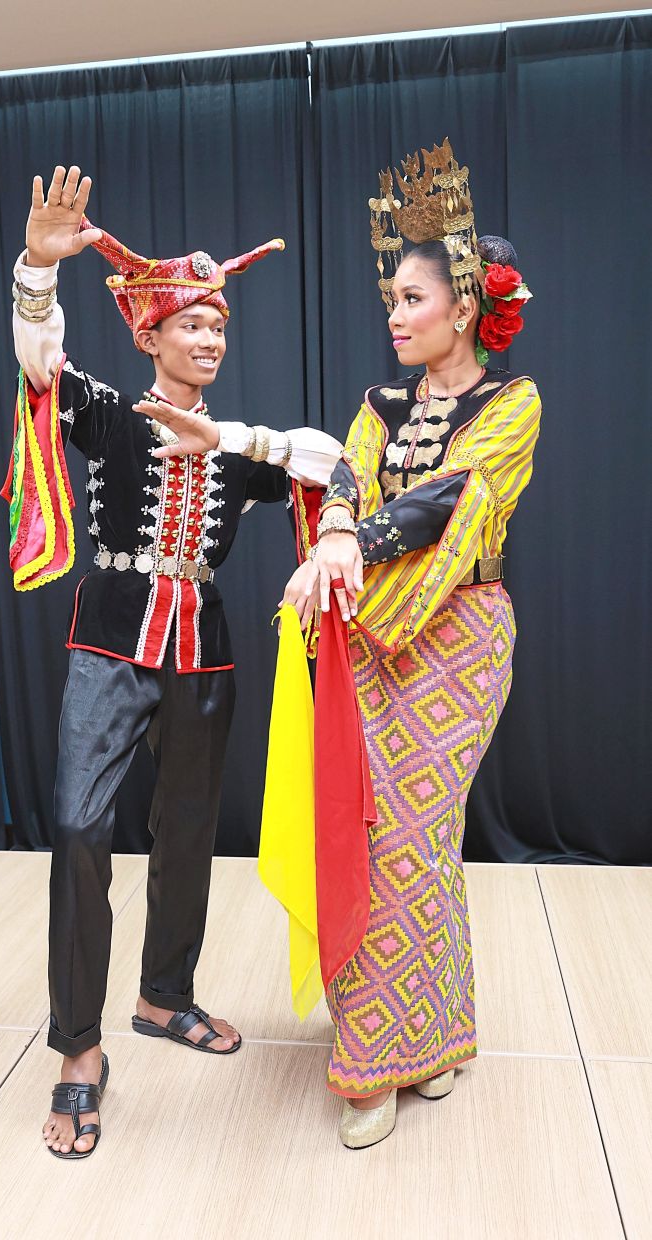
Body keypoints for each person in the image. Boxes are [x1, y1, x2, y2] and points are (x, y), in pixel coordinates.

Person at [5, 165, 342, 1158]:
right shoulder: (110, 413)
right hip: (109, 641)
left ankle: (163, 994)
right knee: (79, 828)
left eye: (217, 326)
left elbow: (331, 460)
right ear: (149, 336)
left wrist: (235, 439)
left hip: (204, 653)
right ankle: (78, 1049)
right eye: (190, 324)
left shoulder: (235, 444)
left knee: (188, 830)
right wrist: (37, 269)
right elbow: (39, 360)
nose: (209, 339)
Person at [277, 138, 541, 1149]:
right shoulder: (381, 404)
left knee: (412, 835)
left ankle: (383, 1058)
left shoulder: (511, 405)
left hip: (460, 636)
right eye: (391, 298)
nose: (393, 315)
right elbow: (349, 473)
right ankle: (422, 1038)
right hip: (368, 641)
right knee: (381, 833)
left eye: (411, 298)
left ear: (462, 308)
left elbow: (447, 499)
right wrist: (336, 528)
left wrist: (351, 541)